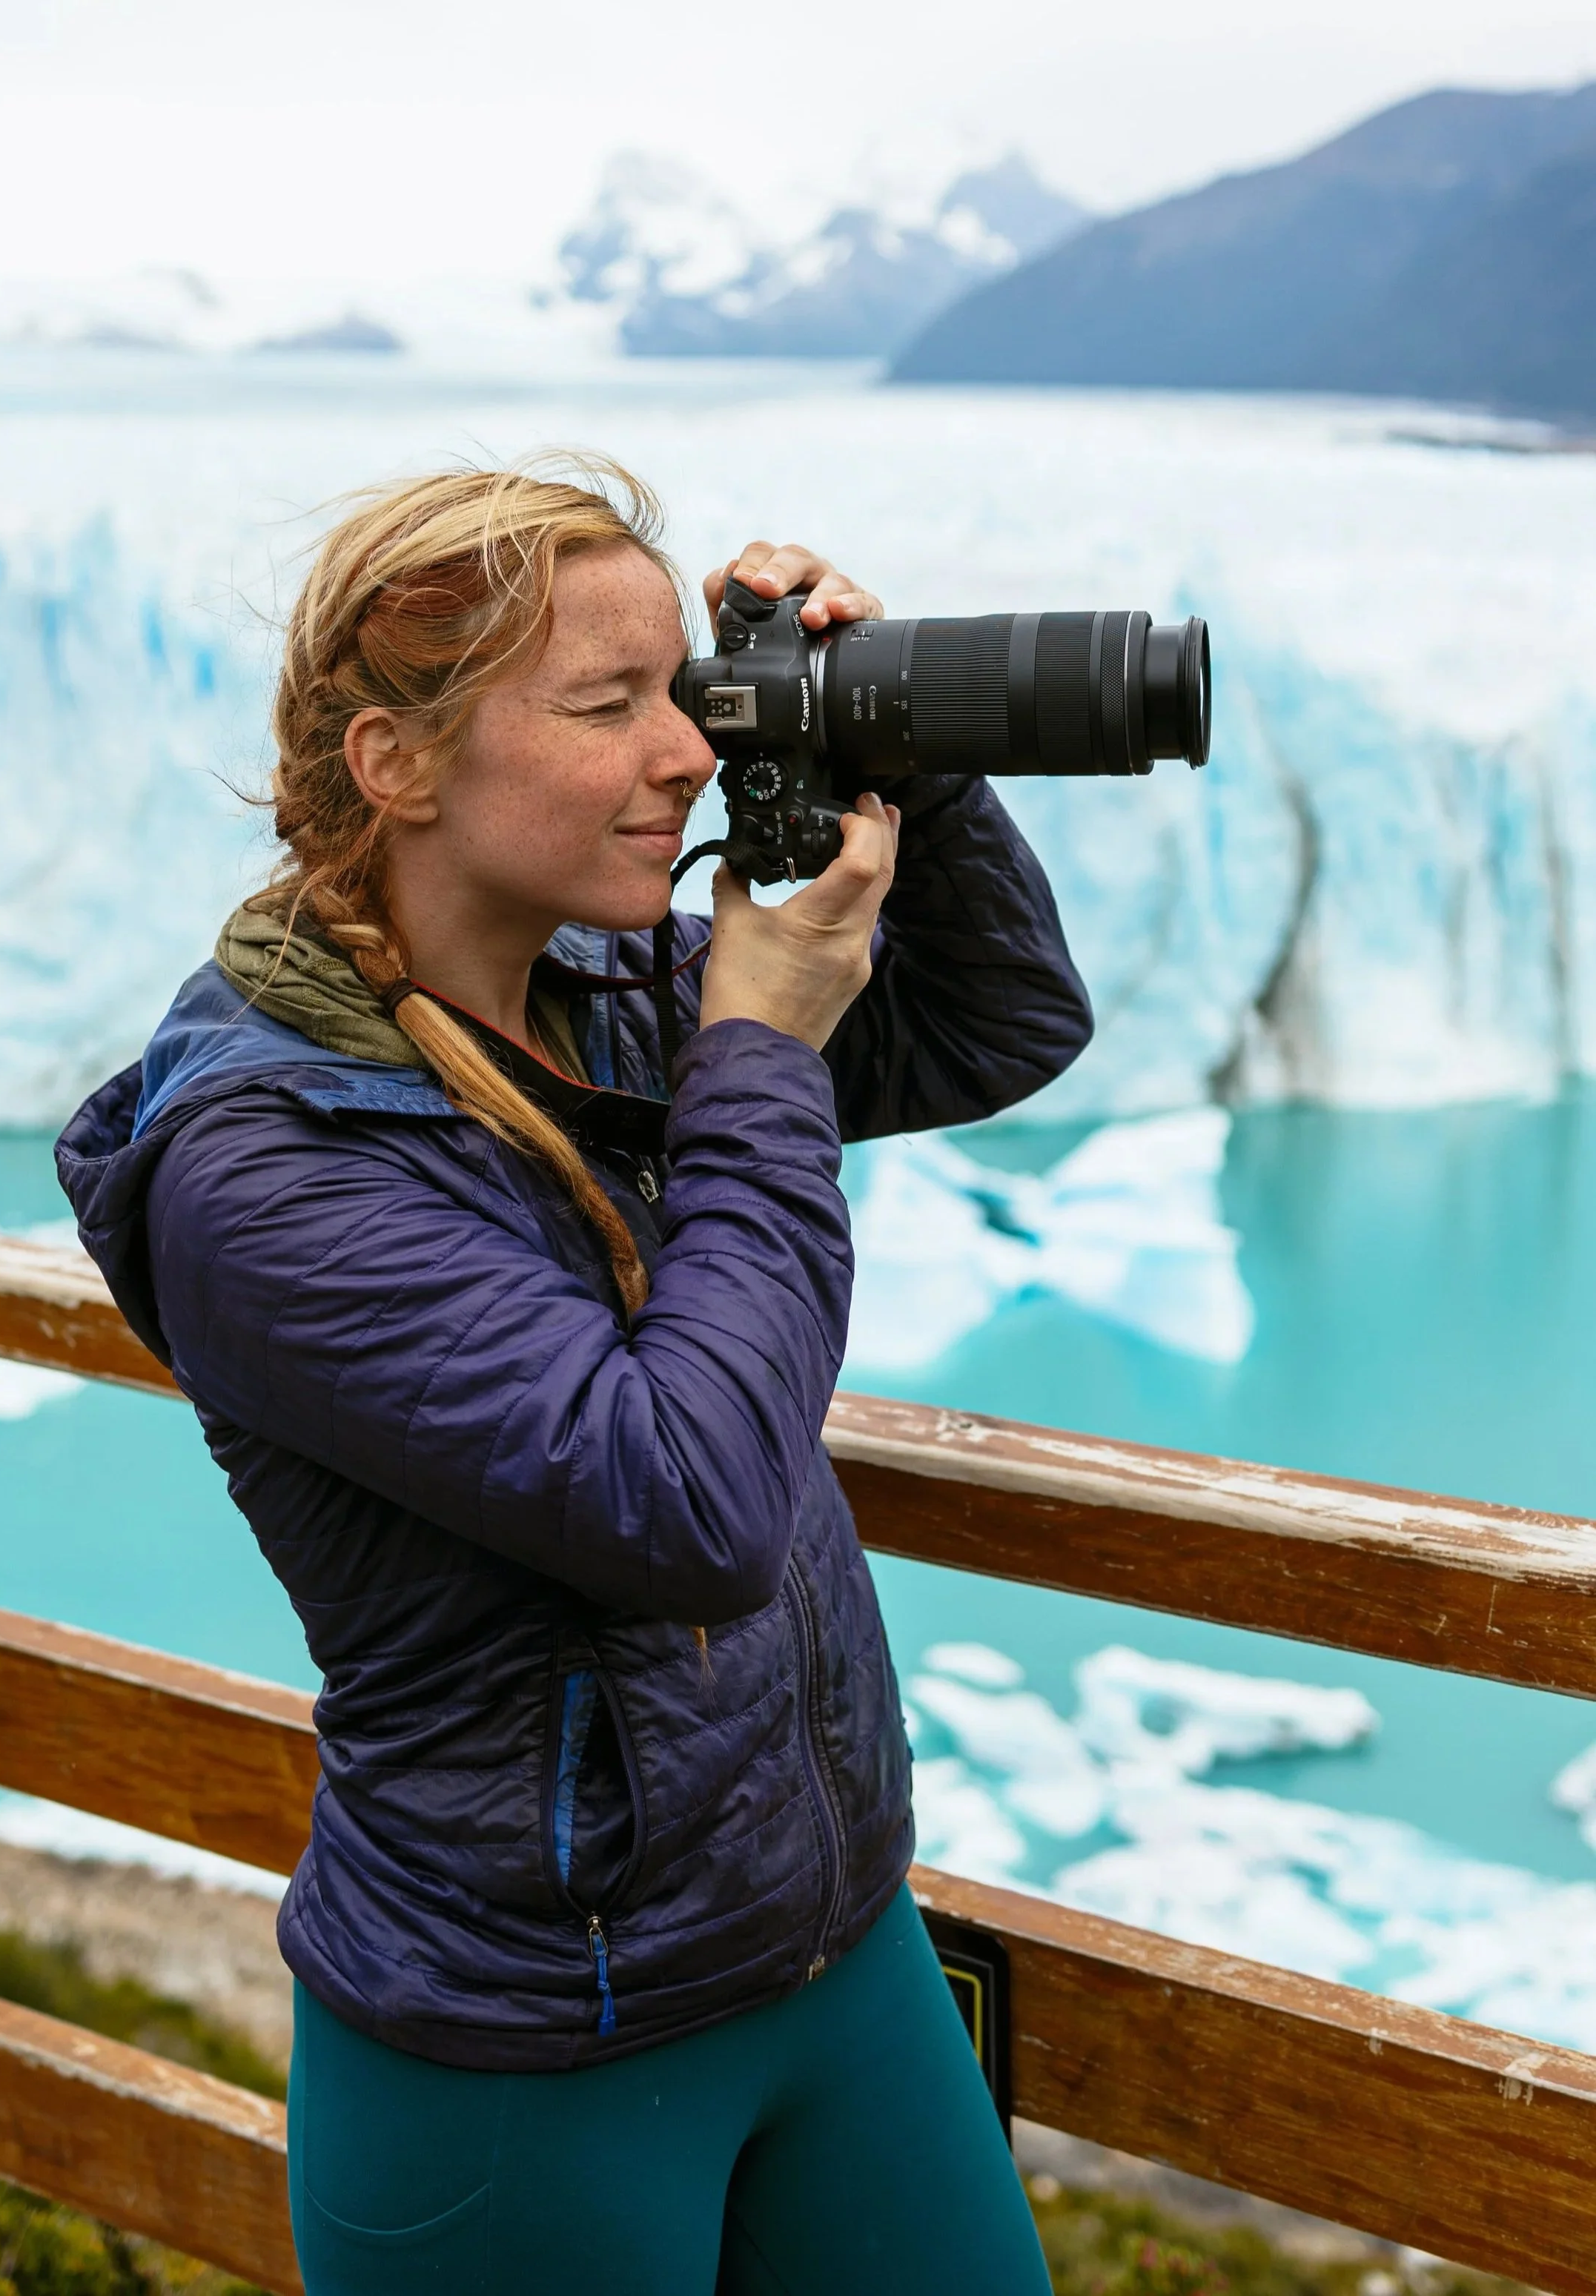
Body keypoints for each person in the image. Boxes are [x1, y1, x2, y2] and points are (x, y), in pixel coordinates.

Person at [57, 457, 1092, 2295]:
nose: (683, 754)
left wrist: (898, 751)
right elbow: (680, 1505)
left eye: (682, 695)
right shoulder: (265, 1166)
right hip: (532, 2045)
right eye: (607, 708)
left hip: (828, 1955)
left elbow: (991, 1022)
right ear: (394, 762)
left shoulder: (599, 987)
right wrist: (760, 1044)